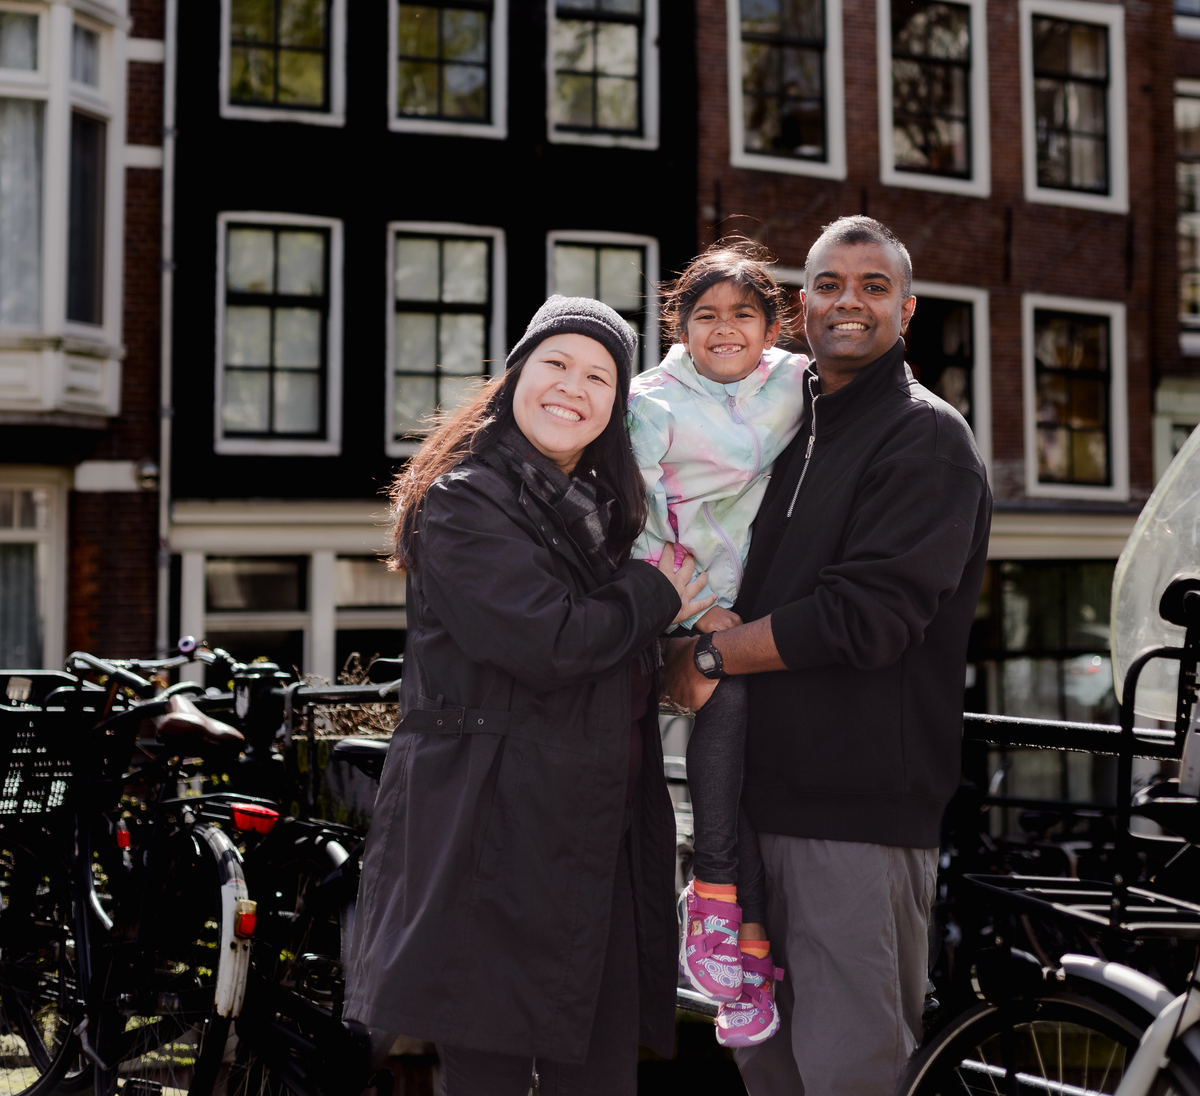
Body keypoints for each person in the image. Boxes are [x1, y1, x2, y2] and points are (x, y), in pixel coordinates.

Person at [344, 294, 711, 1096]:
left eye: (599, 377)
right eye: (555, 363)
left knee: (602, 1074)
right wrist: (656, 595)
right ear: (515, 374)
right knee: (491, 1075)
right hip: (491, 837)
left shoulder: (613, 515)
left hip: (595, 838)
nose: (572, 388)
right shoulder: (463, 500)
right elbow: (550, 641)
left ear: (616, 407)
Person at [663, 215, 992, 1096]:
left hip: (854, 813)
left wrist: (710, 659)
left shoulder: (926, 439)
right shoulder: (783, 424)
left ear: (908, 309)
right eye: (829, 285)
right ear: (800, 306)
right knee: (763, 1062)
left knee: (852, 1070)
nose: (850, 301)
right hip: (750, 807)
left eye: (874, 286)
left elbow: (866, 618)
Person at [627, 240, 808, 1048]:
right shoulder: (650, 403)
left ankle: (751, 956)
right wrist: (698, 614)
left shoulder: (796, 384)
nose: (725, 329)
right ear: (681, 325)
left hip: (766, 597)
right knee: (726, 698)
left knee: (770, 759)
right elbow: (627, 522)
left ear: (773, 326)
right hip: (684, 593)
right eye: (706, 316)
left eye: (744, 314)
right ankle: (711, 888)